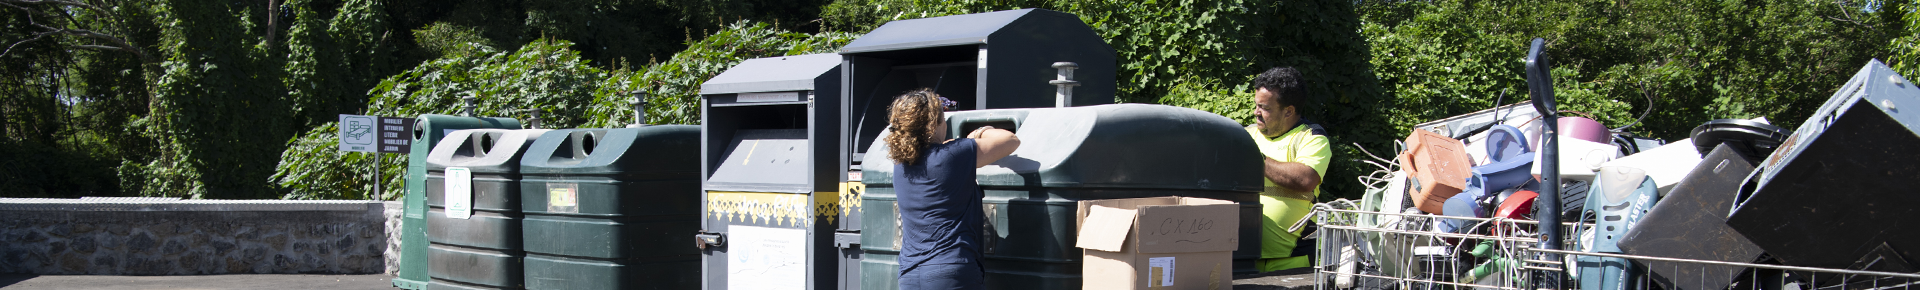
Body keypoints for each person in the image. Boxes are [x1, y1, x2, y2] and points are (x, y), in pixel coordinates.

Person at [887, 88, 1021, 290]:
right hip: (952, 272)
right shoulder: (954, 155)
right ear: (934, 124)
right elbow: (1010, 140)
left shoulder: (901, 165)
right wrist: (980, 132)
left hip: (910, 275)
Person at [1247, 67, 1332, 272]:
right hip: (1244, 259)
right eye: (1256, 105)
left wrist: (1252, 157)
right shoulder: (1246, 134)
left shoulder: (1311, 137)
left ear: (1288, 111)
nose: (1256, 112)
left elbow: (1305, 179)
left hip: (1291, 260)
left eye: (1264, 107)